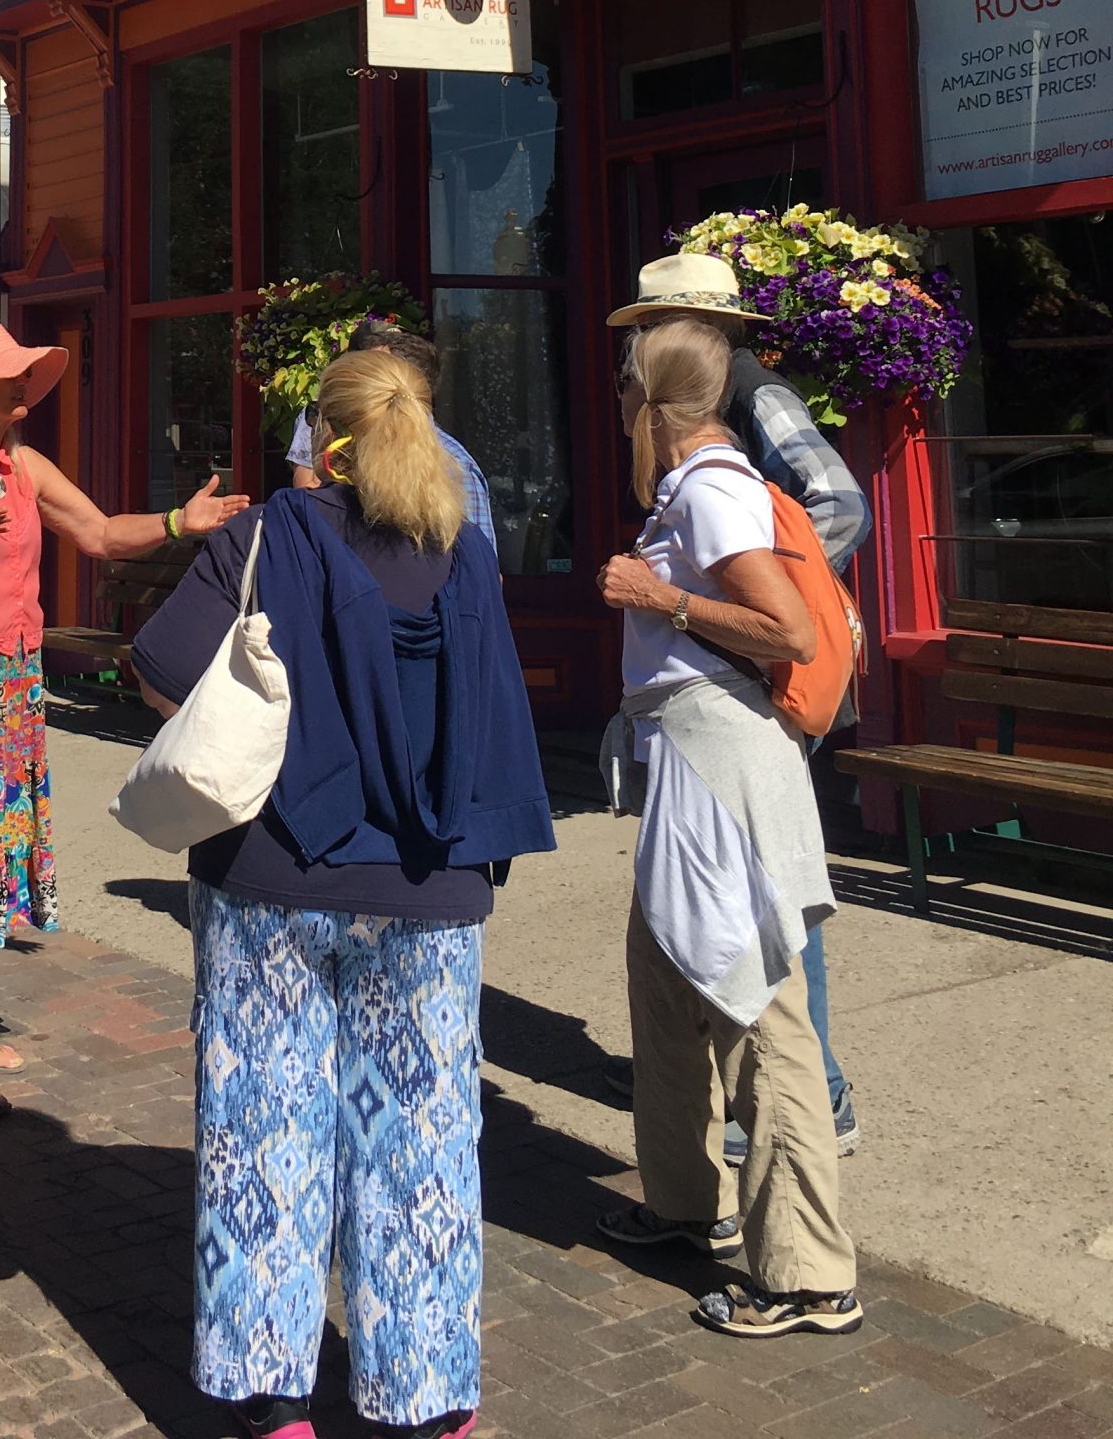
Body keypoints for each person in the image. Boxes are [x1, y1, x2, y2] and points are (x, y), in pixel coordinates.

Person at [132, 349, 556, 1439]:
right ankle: (424, 1399)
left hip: (271, 876)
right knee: (420, 1141)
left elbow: (158, 668)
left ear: (323, 439)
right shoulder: (460, 553)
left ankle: (273, 1399)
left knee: (262, 1126)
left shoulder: (265, 534)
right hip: (428, 885)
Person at [0, 318, 249, 1122]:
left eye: (25, 374)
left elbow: (96, 533)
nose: (23, 387)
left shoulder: (22, 465)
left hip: (16, 682)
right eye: (7, 376)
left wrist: (175, 524)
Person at [594, 313, 862, 1339]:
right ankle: (681, 1201)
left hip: (722, 771)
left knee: (756, 1008)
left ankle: (806, 1272)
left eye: (624, 392)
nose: (617, 408)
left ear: (650, 401)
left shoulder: (710, 486)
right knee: (666, 984)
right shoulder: (696, 486)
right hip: (693, 768)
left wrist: (657, 594)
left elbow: (785, 627)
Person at [285, 320, 495, 550]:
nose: (356, 385)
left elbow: (480, 575)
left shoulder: (453, 466)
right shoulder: (342, 444)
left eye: (369, 375)